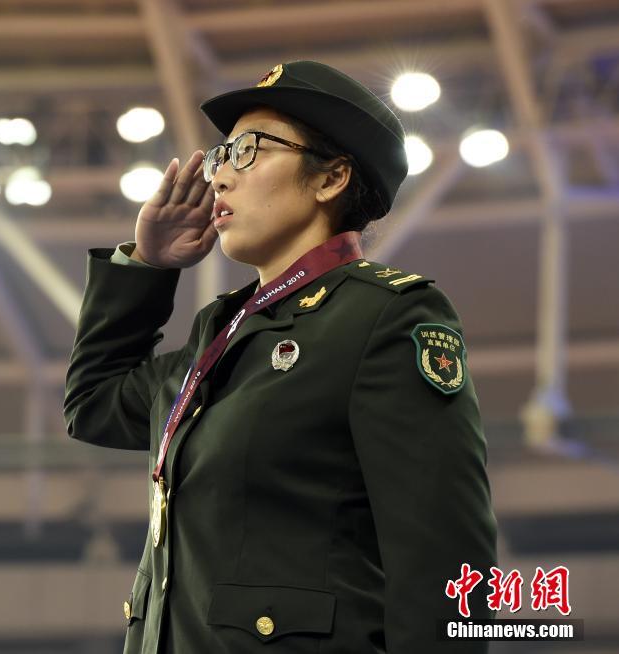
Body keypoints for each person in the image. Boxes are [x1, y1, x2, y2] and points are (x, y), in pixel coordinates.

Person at [64, 60, 498, 654]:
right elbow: (93, 404)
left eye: (249, 150)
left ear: (331, 178)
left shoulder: (384, 317)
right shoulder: (220, 335)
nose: (220, 177)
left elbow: (445, 560)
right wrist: (145, 266)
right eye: (222, 156)